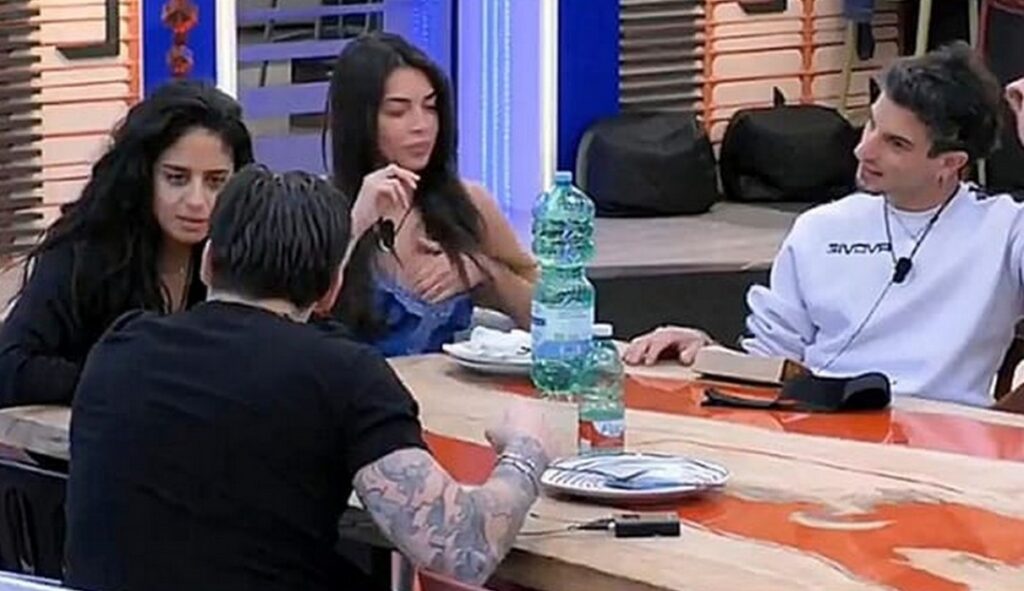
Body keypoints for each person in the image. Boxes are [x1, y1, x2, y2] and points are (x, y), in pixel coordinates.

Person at [65, 165, 554, 591]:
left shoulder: (120, 348)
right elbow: (462, 547)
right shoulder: (343, 375)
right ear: (331, 290)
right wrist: (525, 450)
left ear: (209, 261)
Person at [625, 43, 1023, 408]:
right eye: (871, 125)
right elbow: (772, 357)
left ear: (950, 163)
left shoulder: (1004, 229)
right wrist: (707, 350)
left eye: (896, 144)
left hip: (944, 440)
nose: (863, 150)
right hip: (818, 427)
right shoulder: (821, 227)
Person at [0, 80, 253, 407]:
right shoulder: (83, 252)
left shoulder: (245, 258)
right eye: (176, 178)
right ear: (142, 175)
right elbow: (11, 367)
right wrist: (128, 381)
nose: (196, 201)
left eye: (215, 182)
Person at [325, 32, 536, 356]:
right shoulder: (319, 206)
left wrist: (482, 270)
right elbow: (294, 320)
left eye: (430, 107)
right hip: (354, 387)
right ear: (359, 120)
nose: (421, 125)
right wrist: (355, 224)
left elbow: (550, 317)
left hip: (448, 386)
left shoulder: (467, 202)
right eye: (398, 112)